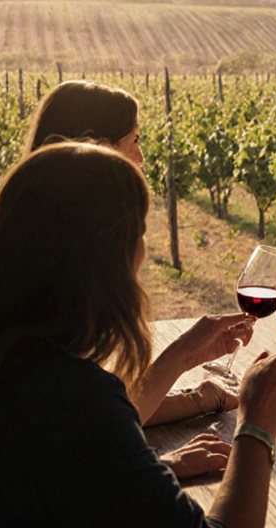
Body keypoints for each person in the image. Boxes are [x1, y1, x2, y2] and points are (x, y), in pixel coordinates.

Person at [0, 143, 276, 528]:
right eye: (139, 233)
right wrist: (257, 424)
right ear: (104, 266)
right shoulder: (71, 399)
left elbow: (45, 475)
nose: (144, 252)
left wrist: (182, 355)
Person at [26, 79, 249, 477]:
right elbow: (77, 458)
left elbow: (78, 428)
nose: (142, 158)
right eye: (134, 141)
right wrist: (258, 429)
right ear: (100, 156)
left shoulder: (24, 264)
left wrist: (184, 360)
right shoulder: (55, 297)